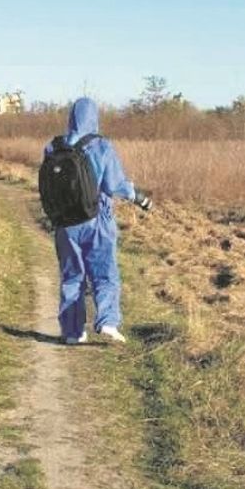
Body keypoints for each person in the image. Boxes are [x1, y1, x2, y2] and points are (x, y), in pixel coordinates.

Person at [45, 97, 152, 345]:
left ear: (71, 117)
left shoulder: (53, 147)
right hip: (97, 221)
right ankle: (108, 322)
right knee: (105, 273)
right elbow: (114, 185)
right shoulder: (101, 146)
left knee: (72, 276)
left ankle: (73, 332)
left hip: (64, 223)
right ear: (94, 117)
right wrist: (139, 198)